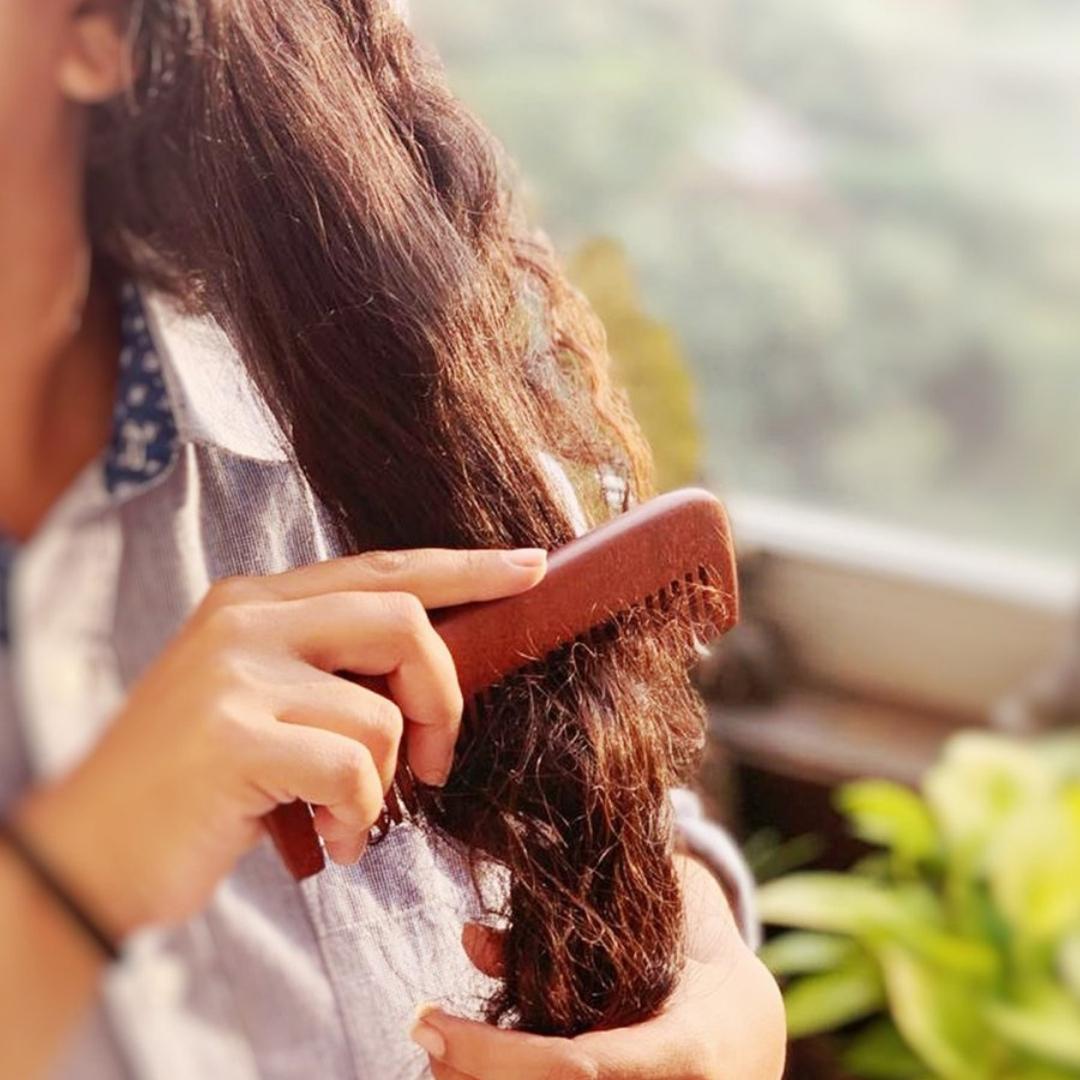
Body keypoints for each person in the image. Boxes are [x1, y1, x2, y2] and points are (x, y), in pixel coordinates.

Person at [0, 2, 786, 1077]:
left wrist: (715, 1013)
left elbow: (629, 845)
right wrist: (74, 878)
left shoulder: (368, 432)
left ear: (100, 34)